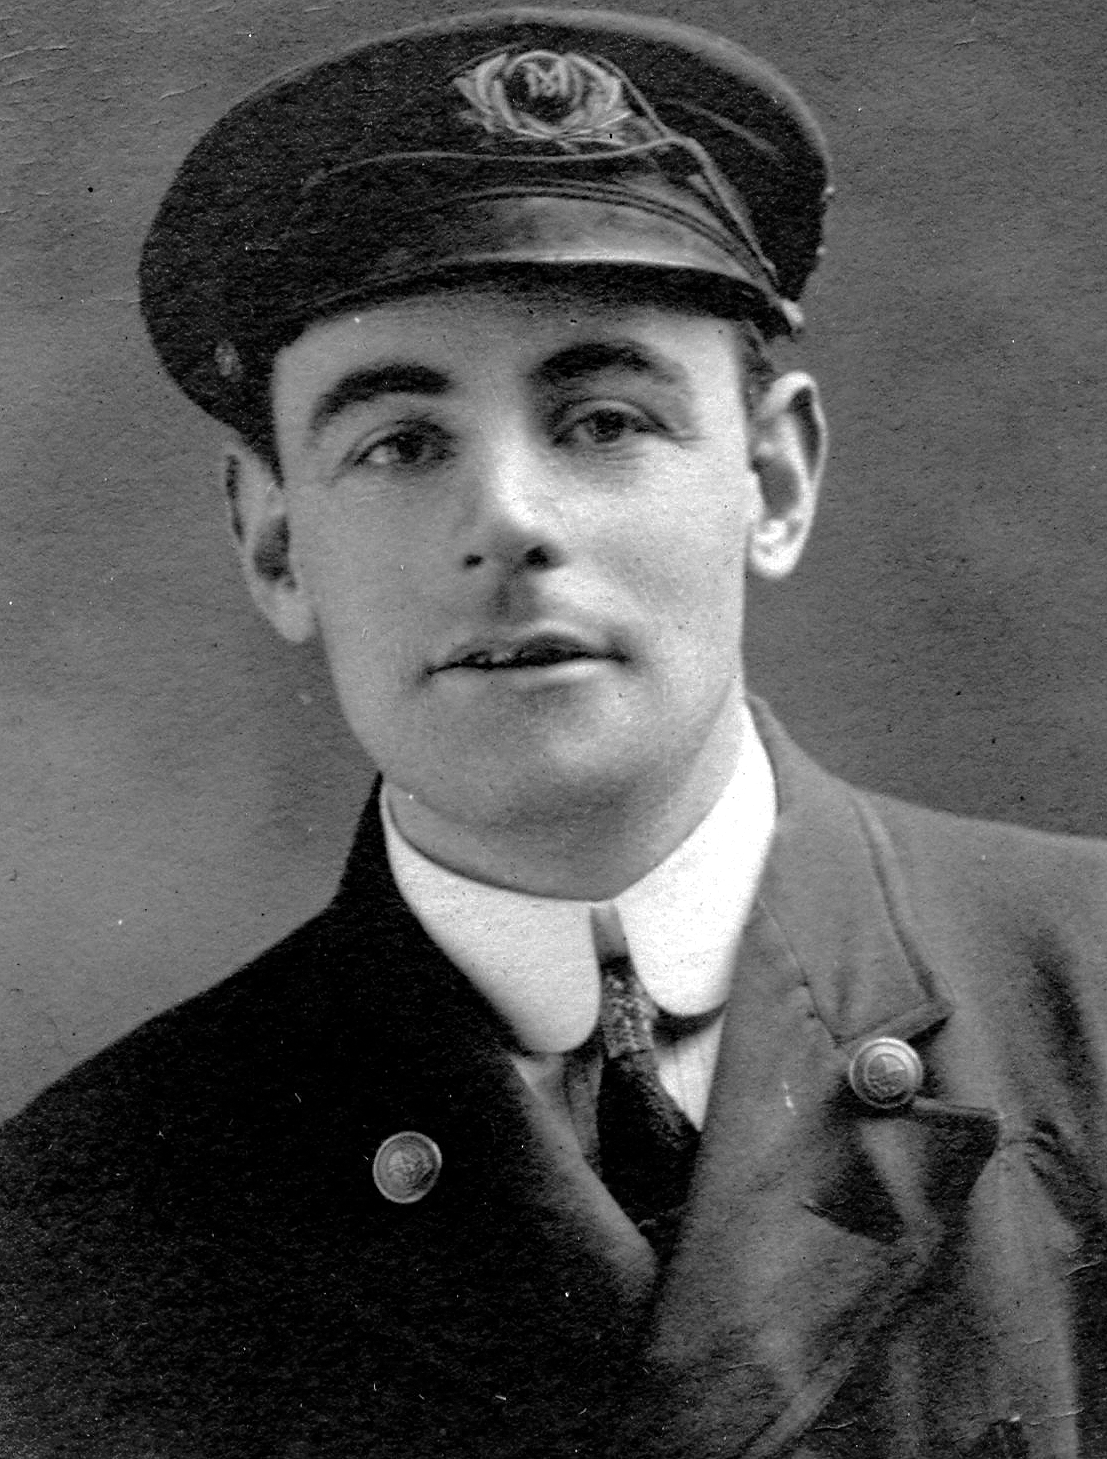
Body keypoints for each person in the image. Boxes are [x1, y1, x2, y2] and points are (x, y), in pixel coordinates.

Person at [2, 8, 1106, 1457]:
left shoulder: (1088, 1000)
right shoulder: (83, 1215)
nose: (510, 520)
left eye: (600, 418)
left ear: (771, 477)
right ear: (275, 543)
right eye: (400, 443)